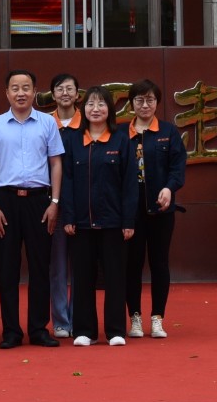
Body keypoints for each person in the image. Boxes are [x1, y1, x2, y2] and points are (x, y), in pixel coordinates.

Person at [0, 67, 65, 350]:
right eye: (15, 88)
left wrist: (54, 203)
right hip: (6, 201)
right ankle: (11, 331)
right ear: (6, 93)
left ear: (35, 92)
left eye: (26, 87)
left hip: (40, 201)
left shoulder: (48, 123)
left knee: (40, 266)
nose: (20, 93)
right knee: (8, 268)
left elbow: (56, 163)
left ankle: (39, 329)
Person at [61, 86, 137, 347]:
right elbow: (66, 181)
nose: (96, 109)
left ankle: (116, 331)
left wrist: (128, 221)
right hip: (81, 223)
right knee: (83, 278)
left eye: (101, 104)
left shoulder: (121, 140)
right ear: (83, 109)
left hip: (113, 223)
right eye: (91, 104)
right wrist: (68, 216)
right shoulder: (73, 141)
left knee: (115, 277)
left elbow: (129, 184)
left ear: (110, 110)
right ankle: (85, 331)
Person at [124, 78, 186, 340]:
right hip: (131, 210)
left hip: (161, 209)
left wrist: (169, 188)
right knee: (132, 264)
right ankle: (135, 318)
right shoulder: (121, 133)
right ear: (131, 103)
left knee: (159, 263)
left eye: (150, 99)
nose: (144, 104)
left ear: (157, 103)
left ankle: (157, 317)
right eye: (139, 100)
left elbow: (177, 167)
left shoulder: (168, 132)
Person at [48, 72, 81, 338]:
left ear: (78, 94)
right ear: (53, 95)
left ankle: (78, 317)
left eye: (69, 89)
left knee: (81, 266)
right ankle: (60, 320)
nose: (65, 93)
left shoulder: (89, 122)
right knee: (57, 266)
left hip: (83, 205)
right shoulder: (45, 123)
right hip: (54, 204)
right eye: (60, 89)